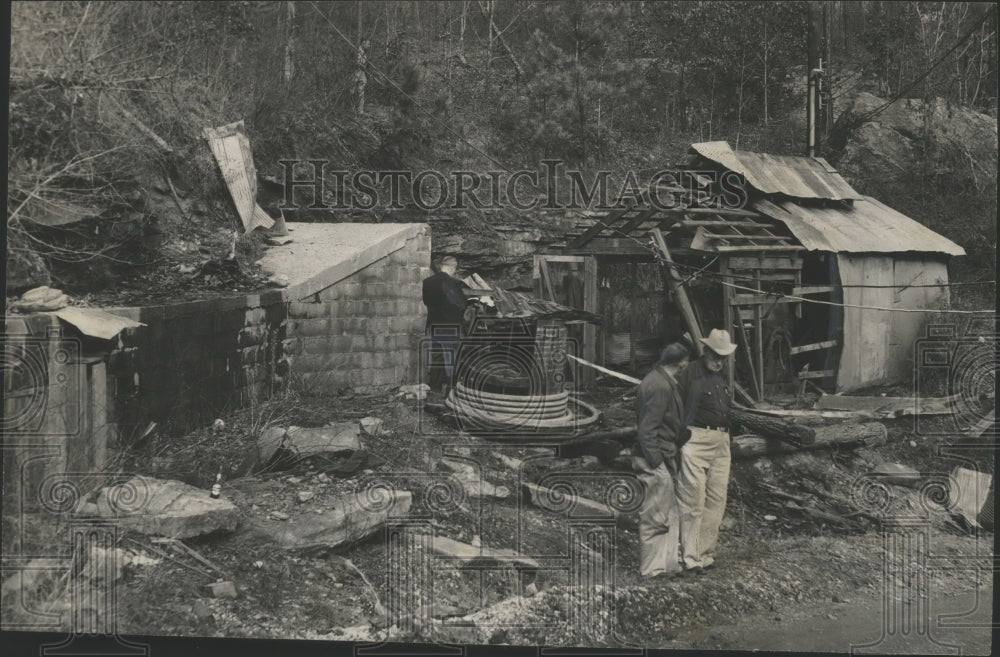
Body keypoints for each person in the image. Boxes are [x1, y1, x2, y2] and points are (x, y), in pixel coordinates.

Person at [675, 328, 738, 575]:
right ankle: (689, 557)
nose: (719, 360)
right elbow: (675, 405)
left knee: (717, 499)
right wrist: (678, 437)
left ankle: (704, 553)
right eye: (715, 354)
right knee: (693, 499)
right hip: (695, 437)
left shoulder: (722, 379)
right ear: (705, 350)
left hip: (721, 440)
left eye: (723, 357)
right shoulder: (688, 373)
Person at [633, 342, 690, 579]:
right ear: (681, 363)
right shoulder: (659, 387)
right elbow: (647, 430)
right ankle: (651, 570)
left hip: (664, 454)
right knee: (655, 513)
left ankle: (667, 565)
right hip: (655, 458)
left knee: (666, 511)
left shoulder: (660, 380)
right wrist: (656, 462)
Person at [422, 256, 468, 395]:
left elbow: (426, 302)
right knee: (451, 358)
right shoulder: (453, 283)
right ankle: (450, 389)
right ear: (452, 267)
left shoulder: (427, 282)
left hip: (433, 324)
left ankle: (435, 388)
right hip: (450, 325)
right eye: (455, 269)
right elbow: (460, 305)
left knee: (436, 357)